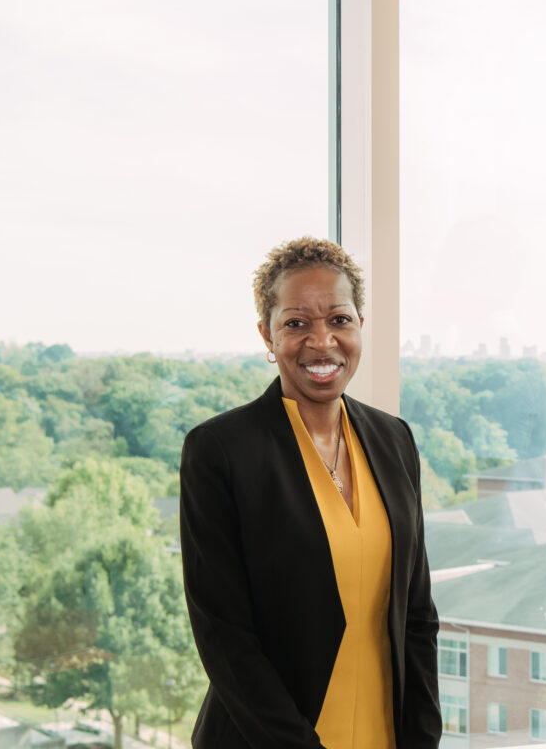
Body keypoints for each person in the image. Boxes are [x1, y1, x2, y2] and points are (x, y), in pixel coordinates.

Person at [180, 237, 441, 748]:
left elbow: (418, 615)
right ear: (267, 335)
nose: (322, 342)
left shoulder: (395, 440)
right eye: (296, 323)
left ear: (360, 326)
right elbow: (224, 636)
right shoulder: (219, 450)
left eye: (338, 320)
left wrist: (423, 739)